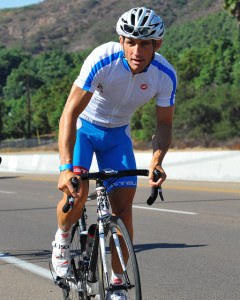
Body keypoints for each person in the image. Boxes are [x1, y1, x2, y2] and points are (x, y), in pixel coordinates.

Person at [52, 6, 177, 300]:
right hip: (85, 129)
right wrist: (65, 167)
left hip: (118, 137)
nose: (137, 50)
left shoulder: (164, 75)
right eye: (130, 42)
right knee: (77, 193)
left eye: (144, 43)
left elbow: (164, 124)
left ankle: (118, 283)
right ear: (121, 41)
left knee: (123, 210)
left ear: (156, 44)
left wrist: (156, 161)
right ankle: (62, 238)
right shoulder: (103, 59)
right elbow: (69, 113)